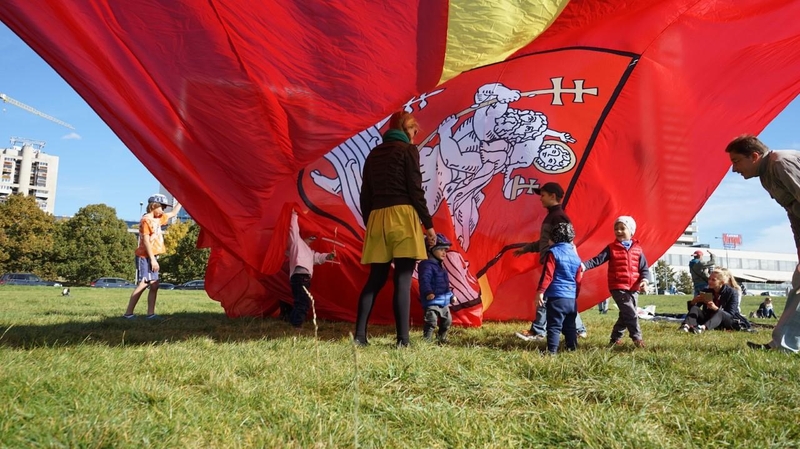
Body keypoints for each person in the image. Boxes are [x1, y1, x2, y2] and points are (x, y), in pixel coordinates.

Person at [354, 110, 437, 347]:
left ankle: (359, 336)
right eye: (413, 130)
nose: (414, 135)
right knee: (402, 279)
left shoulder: (374, 154)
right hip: (403, 215)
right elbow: (415, 191)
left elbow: (365, 193)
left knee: (375, 279)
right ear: (405, 128)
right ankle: (403, 340)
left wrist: (371, 221)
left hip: (378, 218)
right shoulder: (408, 151)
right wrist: (428, 226)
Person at [727, 135, 800, 352]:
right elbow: (794, 213)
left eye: (736, 161)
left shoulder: (779, 163)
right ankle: (783, 344)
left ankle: (784, 345)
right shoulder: (766, 175)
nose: (734, 169)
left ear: (755, 156)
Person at [513, 182, 587, 342]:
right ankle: (579, 329)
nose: (540, 199)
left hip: (556, 262)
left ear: (553, 196)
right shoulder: (553, 215)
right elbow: (544, 241)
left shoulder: (559, 217)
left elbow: (568, 240)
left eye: (543, 195)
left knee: (546, 295)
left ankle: (538, 331)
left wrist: (574, 260)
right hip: (553, 261)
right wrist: (526, 248)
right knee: (560, 297)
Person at [582, 216, 650, 348]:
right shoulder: (611, 248)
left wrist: (645, 281)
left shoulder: (638, 250)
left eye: (622, 228)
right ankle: (637, 339)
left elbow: (644, 269)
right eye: (616, 229)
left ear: (631, 231)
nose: (618, 231)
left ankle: (615, 339)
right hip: (618, 286)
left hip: (634, 287)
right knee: (631, 313)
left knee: (625, 314)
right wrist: (584, 266)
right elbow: (597, 260)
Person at [123, 194, 182, 319]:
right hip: (145, 256)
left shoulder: (158, 219)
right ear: (154, 206)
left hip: (152, 256)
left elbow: (173, 213)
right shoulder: (146, 220)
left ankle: (150, 314)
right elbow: (145, 241)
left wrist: (182, 200)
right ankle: (128, 313)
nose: (164, 210)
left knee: (155, 284)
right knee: (144, 283)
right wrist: (153, 259)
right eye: (162, 207)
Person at [535, 222, 582, 354]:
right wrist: (575, 294)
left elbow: (547, 275)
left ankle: (551, 351)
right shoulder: (576, 257)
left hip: (556, 297)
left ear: (553, 239)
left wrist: (541, 291)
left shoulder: (553, 253)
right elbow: (578, 279)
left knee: (554, 326)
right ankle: (572, 349)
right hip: (571, 299)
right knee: (570, 326)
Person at [285, 210, 334, 328]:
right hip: (299, 277)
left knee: (301, 300)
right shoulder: (297, 243)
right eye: (310, 236)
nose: (312, 239)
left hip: (304, 278)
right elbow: (293, 230)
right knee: (302, 301)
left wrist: (329, 256)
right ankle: (296, 325)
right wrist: (293, 215)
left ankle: (293, 321)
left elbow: (318, 257)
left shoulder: (310, 251)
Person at [679, 269, 745, 333]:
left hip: (725, 321)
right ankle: (686, 326)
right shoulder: (707, 291)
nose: (710, 281)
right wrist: (693, 301)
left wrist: (715, 308)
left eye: (713, 280)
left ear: (721, 282)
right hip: (708, 318)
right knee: (695, 308)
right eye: (709, 279)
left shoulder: (732, 293)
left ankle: (702, 328)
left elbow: (730, 315)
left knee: (720, 313)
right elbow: (692, 310)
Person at [417, 233, 456, 343]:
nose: (444, 253)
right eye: (441, 249)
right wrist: (428, 292)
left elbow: (444, 285)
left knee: (447, 321)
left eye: (445, 250)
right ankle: (427, 341)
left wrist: (451, 295)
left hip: (443, 301)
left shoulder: (440, 267)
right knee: (431, 321)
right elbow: (424, 280)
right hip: (432, 301)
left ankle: (441, 338)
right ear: (430, 250)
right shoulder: (426, 265)